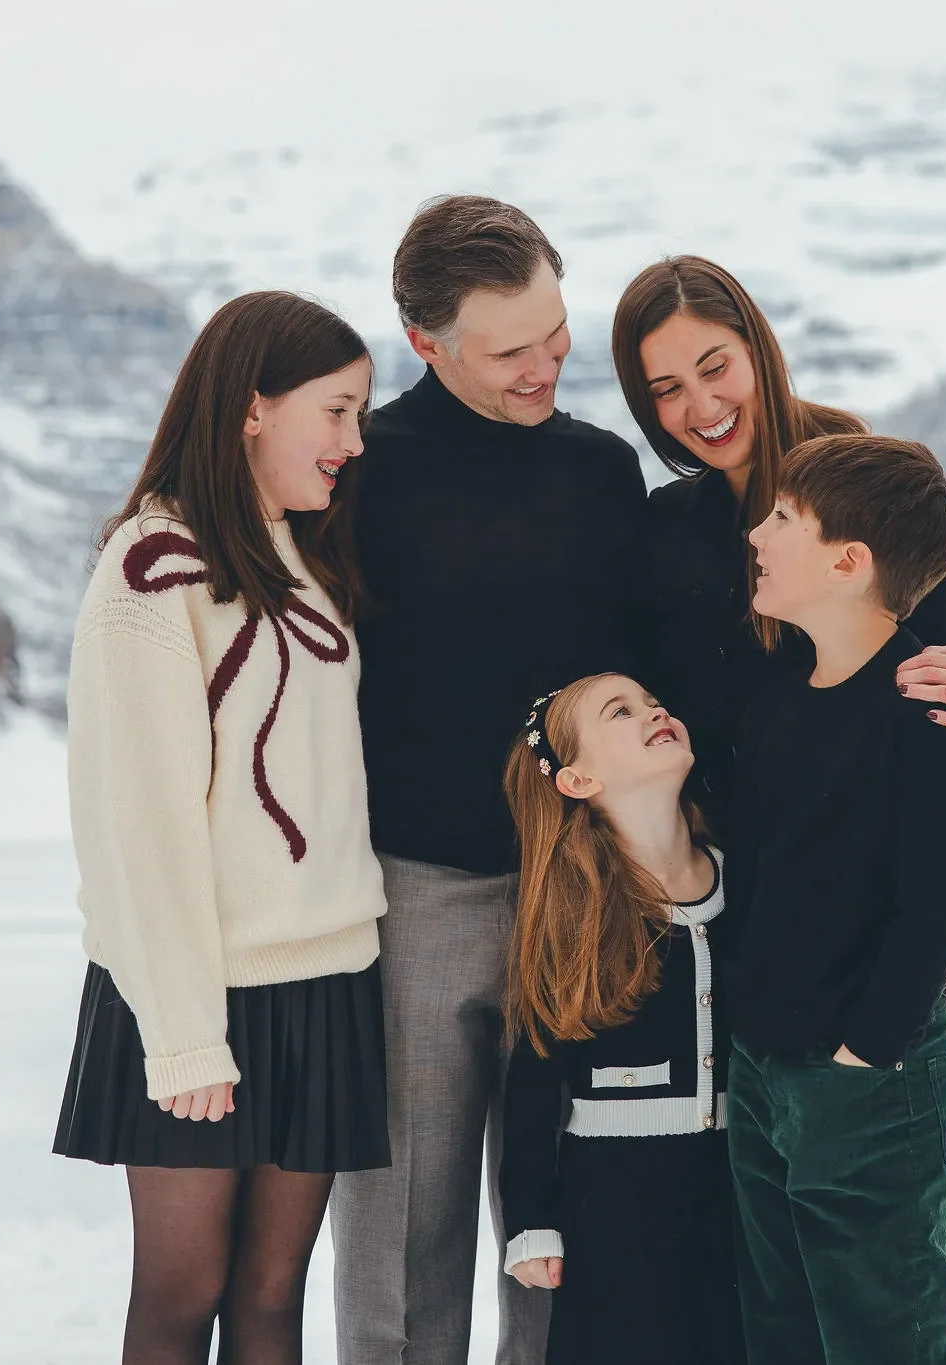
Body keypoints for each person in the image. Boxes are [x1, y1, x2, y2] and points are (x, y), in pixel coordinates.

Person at [330, 197, 648, 1365]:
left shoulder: (604, 471)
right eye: (507, 349)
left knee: (566, 1218)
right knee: (403, 1218)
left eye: (555, 333)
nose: (543, 366)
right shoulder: (362, 471)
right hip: (415, 889)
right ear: (424, 342)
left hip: (580, 886)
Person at [53, 291, 390, 1365]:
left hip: (325, 978)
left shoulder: (301, 553)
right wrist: (185, 1031)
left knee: (271, 1295)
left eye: (360, 416)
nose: (352, 442)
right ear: (253, 408)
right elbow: (136, 820)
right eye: (334, 412)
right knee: (181, 1292)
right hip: (194, 990)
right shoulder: (154, 567)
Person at [726, 433, 946, 1365]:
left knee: (881, 1332)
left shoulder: (927, 705)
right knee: (780, 1328)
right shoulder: (779, 701)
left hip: (869, 1075)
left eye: (783, 517)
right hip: (763, 1063)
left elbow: (935, 905)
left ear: (848, 561)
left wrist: (864, 1049)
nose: (757, 532)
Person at [612, 255, 946, 831]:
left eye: (715, 368)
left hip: (849, 876)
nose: (702, 407)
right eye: (668, 389)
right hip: (718, 886)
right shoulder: (667, 525)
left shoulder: (872, 494)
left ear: (757, 349)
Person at [497, 673, 747, 1365]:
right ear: (577, 780)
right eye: (621, 711)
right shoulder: (578, 910)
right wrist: (532, 1220)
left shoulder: (746, 883)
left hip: (736, 1191)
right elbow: (531, 1084)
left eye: (652, 700)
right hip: (612, 1205)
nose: (655, 709)